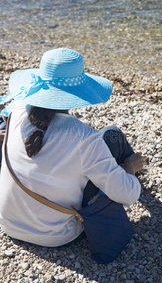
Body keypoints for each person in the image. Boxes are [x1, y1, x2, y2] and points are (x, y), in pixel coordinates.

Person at [0, 48, 146, 248]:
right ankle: (132, 172)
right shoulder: (86, 139)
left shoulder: (17, 111)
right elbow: (128, 196)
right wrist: (130, 168)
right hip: (55, 235)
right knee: (112, 135)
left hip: (9, 224)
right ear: (79, 90)